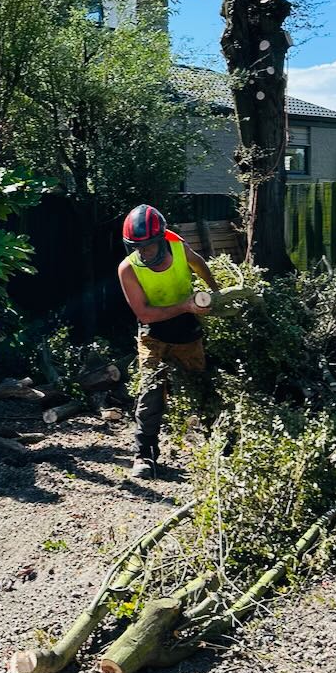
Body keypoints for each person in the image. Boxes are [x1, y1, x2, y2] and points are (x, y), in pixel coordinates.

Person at [118, 204, 220, 478]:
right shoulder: (128, 269)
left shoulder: (179, 247)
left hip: (187, 330)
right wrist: (185, 306)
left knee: (200, 386)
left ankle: (219, 446)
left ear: (161, 238)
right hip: (153, 335)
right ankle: (144, 455)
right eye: (139, 246)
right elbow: (144, 313)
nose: (145, 251)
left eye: (150, 245)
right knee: (150, 393)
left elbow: (199, 264)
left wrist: (216, 292)